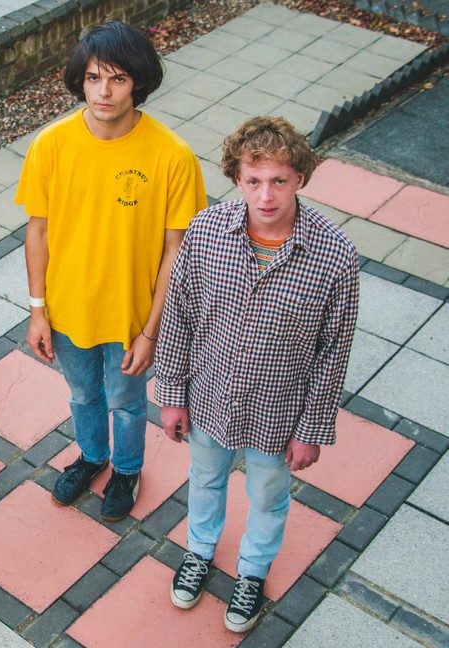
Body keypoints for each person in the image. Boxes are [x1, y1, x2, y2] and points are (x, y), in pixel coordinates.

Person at [155, 116, 359, 632]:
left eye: (279, 180)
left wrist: (312, 430)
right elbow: (178, 317)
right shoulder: (205, 232)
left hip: (278, 412)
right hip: (208, 398)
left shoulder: (335, 256)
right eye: (254, 180)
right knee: (205, 479)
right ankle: (199, 550)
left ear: (300, 178)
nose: (265, 196)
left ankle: (253, 571)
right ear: (236, 177)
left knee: (268, 496)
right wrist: (172, 394)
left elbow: (333, 353)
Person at [16, 20, 207, 522]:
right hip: (67, 311)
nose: (104, 91)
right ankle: (92, 456)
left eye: (118, 79)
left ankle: (126, 469)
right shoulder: (51, 145)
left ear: (137, 82)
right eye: (94, 77)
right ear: (80, 80)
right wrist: (37, 310)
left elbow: (177, 253)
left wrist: (152, 331)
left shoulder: (173, 156)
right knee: (82, 394)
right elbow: (37, 231)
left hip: (131, 317)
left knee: (126, 402)